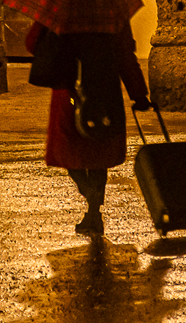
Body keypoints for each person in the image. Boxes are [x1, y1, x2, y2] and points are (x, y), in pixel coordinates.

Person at [27, 23, 152, 237]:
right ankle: (94, 209)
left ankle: (89, 194)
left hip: (68, 88)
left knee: (67, 150)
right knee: (98, 151)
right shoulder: (111, 13)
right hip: (104, 89)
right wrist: (138, 94)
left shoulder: (61, 10)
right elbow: (125, 55)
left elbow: (32, 44)